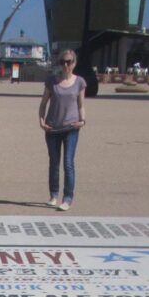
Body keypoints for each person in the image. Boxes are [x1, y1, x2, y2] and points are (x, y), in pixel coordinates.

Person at [38, 48, 86, 211]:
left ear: (74, 63)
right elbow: (44, 103)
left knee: (68, 163)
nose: (66, 65)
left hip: (71, 127)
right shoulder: (52, 81)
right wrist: (41, 120)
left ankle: (67, 198)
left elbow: (80, 104)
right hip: (52, 127)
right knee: (54, 163)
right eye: (63, 62)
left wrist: (82, 121)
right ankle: (53, 195)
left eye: (69, 62)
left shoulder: (79, 82)